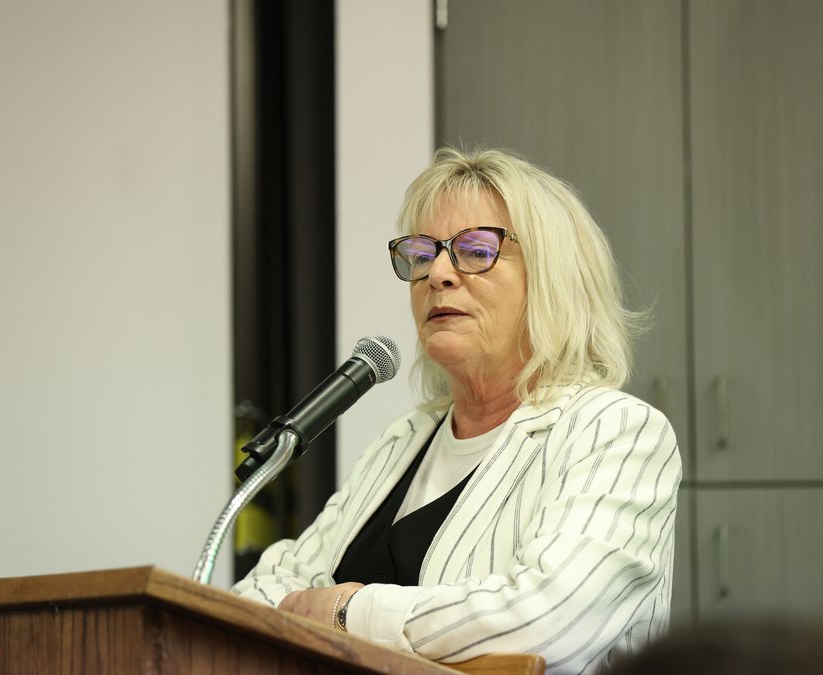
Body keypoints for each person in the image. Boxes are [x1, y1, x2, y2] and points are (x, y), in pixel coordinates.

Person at [232, 147, 682, 674]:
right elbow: (266, 590)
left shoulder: (618, 431)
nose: (438, 273)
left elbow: (544, 621)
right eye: (422, 254)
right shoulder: (405, 440)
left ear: (554, 278)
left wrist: (349, 611)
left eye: (475, 250)